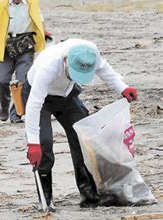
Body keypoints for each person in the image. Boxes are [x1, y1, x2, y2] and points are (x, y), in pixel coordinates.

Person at [24, 38, 138, 209]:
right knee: (44, 143)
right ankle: (45, 200)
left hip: (67, 95)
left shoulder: (90, 53)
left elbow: (104, 69)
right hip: (40, 97)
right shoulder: (49, 66)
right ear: (65, 62)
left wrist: (122, 87)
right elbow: (34, 105)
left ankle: (90, 196)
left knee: (84, 139)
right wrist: (33, 143)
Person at [0, 0, 45, 123]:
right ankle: (4, 107)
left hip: (25, 45)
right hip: (4, 46)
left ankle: (16, 113)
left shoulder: (32, 3)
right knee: (3, 81)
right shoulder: (1, 4)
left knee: (22, 81)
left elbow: (39, 21)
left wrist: (44, 34)